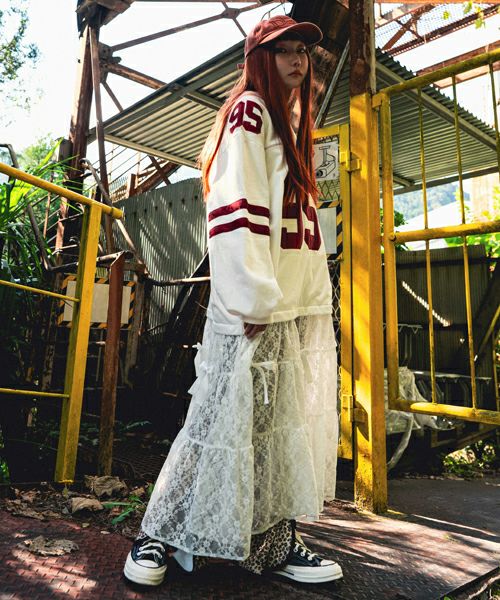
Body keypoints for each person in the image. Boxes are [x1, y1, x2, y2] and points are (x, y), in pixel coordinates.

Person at [124, 14, 342, 587]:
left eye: (302, 51)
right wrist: (250, 298)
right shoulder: (249, 111)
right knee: (217, 416)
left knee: (272, 426)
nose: (297, 60)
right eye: (284, 50)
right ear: (259, 59)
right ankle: (158, 535)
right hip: (255, 306)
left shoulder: (289, 123)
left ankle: (272, 542)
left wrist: (307, 297)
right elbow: (234, 206)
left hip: (289, 303)